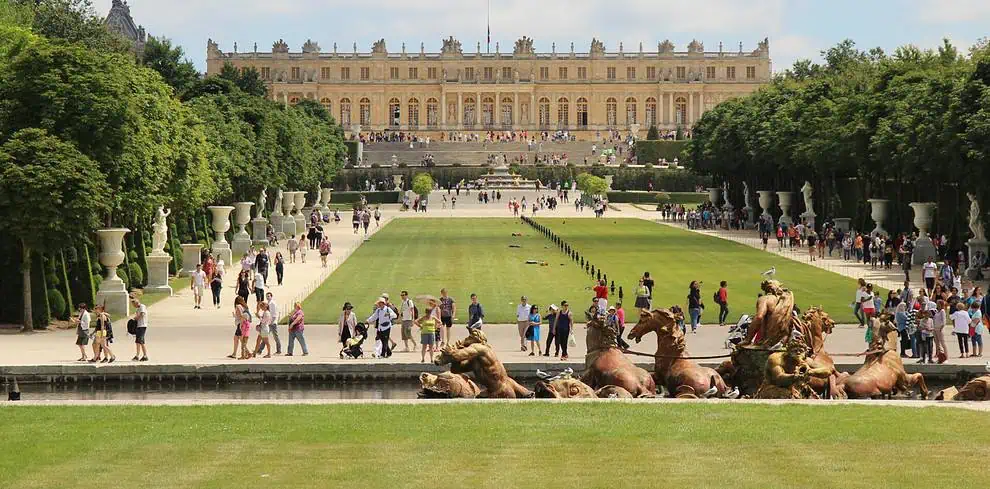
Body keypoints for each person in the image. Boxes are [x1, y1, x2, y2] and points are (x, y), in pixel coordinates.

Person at [130, 295, 148, 362]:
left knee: (141, 341)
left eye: (133, 305)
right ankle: (137, 356)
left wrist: (136, 318)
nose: (133, 306)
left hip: (142, 326)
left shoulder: (142, 306)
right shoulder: (138, 308)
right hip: (138, 326)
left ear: (136, 303)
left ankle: (145, 355)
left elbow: (142, 314)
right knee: (137, 341)